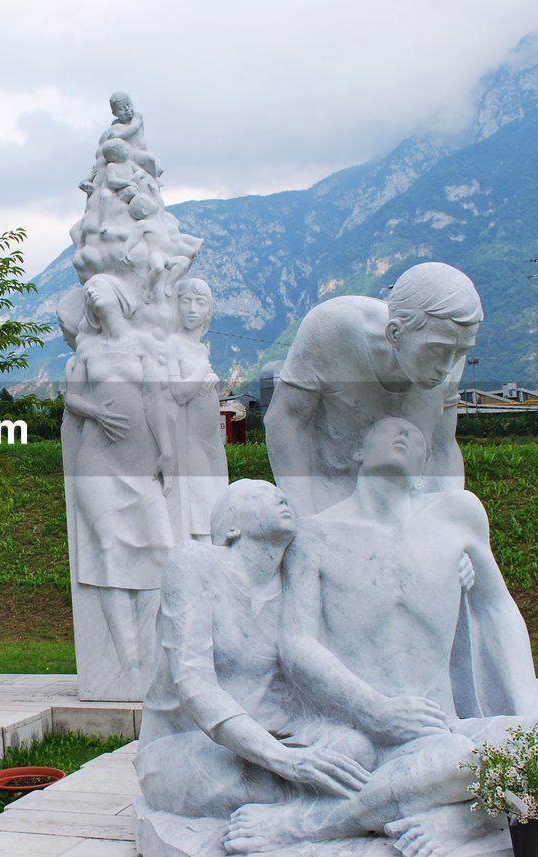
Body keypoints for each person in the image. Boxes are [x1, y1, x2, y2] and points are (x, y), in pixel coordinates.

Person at [225, 418, 538, 856]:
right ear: (357, 454)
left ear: (425, 470)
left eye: (416, 437)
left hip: (449, 727)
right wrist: (376, 710)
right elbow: (297, 645)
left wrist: (531, 711)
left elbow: (497, 607)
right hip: (374, 738)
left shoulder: (458, 515)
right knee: (456, 761)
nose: (405, 434)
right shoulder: (316, 534)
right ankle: (317, 824)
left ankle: (461, 819)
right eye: (388, 428)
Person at [136, 480, 370, 818]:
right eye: (259, 493)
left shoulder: (297, 586)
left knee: (359, 752)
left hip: (282, 737)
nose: (279, 496)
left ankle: (306, 814)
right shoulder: (194, 563)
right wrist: (283, 759)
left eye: (278, 492)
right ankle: (304, 821)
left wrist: (454, 578)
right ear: (231, 527)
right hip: (191, 746)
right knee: (276, 781)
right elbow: (194, 683)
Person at [265, 262, 481, 515]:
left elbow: (443, 446)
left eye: (460, 352)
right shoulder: (332, 328)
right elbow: (285, 420)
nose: (446, 367)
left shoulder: (450, 349)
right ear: (395, 333)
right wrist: (307, 517)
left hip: (408, 511)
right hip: (332, 500)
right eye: (435, 350)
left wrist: (448, 520)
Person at [63, 273, 175, 688]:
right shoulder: (86, 347)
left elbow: (155, 398)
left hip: (139, 458)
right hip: (95, 458)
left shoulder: (144, 343)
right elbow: (72, 398)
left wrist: (166, 450)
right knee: (109, 549)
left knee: (162, 547)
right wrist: (94, 411)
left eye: (99, 284)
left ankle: (159, 649)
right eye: (87, 288)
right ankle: (128, 667)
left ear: (118, 294)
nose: (91, 289)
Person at [165, 279, 227, 541]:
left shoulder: (200, 347)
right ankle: (204, 556)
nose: (192, 309)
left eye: (199, 303)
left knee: (217, 498)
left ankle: (215, 549)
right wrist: (202, 372)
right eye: (186, 301)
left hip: (210, 439)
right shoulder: (172, 344)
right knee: (201, 503)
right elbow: (177, 392)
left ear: (208, 310)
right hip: (189, 441)